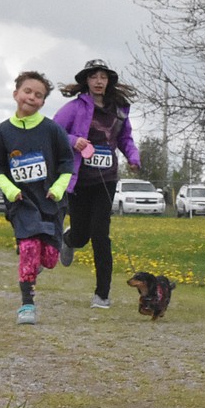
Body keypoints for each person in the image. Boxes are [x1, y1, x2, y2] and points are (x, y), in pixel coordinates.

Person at [52, 59, 141, 310]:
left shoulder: (120, 110)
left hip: (107, 179)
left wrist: (133, 158)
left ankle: (102, 294)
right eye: (94, 77)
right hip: (80, 179)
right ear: (86, 81)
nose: (99, 81)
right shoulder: (73, 108)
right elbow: (54, 132)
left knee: (101, 234)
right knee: (82, 235)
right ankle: (69, 240)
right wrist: (73, 141)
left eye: (103, 77)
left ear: (109, 81)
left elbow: (125, 138)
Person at [0, 71, 74, 325]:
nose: (31, 97)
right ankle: (27, 305)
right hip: (21, 202)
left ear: (43, 103)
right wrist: (11, 191)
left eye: (38, 95)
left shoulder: (52, 130)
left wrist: (58, 189)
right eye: (28, 91)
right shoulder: (2, 132)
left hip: (51, 201)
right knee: (27, 248)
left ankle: (56, 246)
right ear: (16, 94)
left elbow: (67, 163)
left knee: (48, 258)